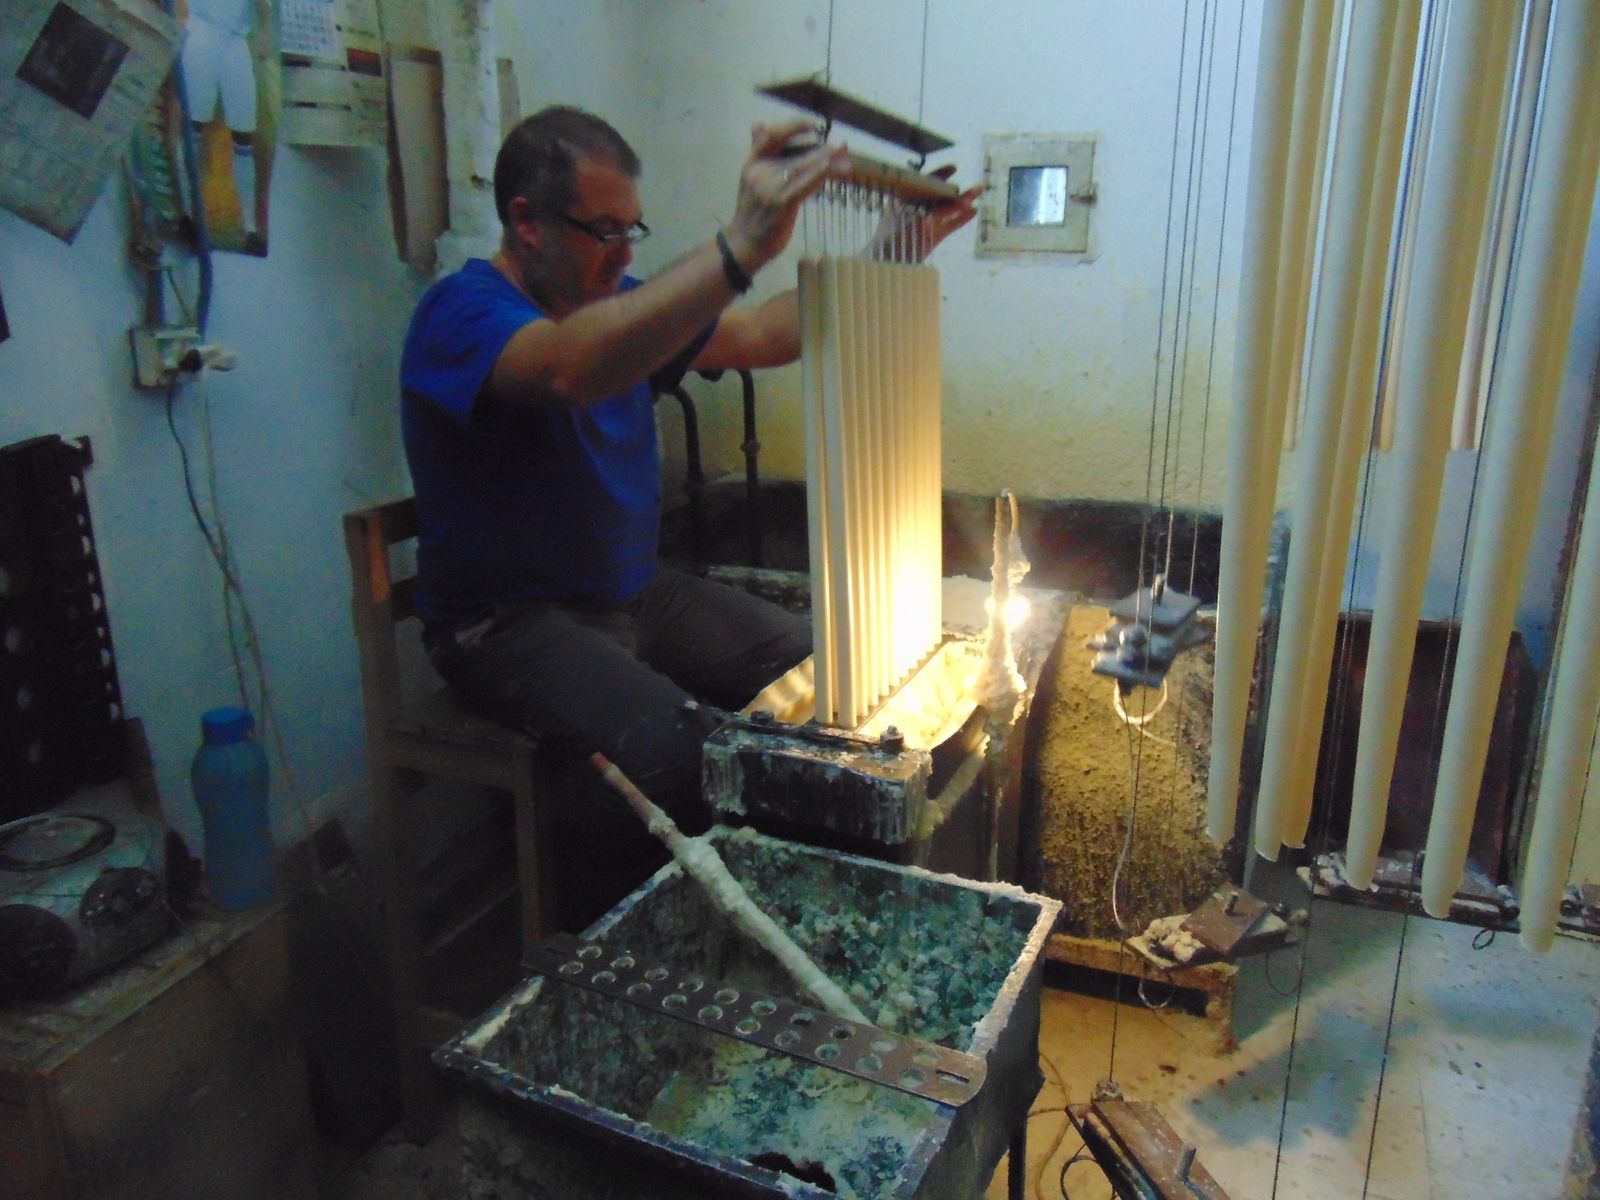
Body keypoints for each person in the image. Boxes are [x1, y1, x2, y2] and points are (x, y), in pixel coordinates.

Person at [400, 105, 977, 926]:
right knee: (690, 757)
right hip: (510, 623)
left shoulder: (626, 306)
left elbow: (767, 335)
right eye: (604, 230)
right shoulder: (462, 314)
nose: (625, 254)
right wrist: (740, 243)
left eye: (633, 230)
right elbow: (569, 370)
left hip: (633, 593)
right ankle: (633, 949)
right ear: (525, 221)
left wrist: (891, 249)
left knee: (825, 669)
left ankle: (799, 921)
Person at [180, 0, 268, 255]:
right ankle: (188, 214)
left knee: (244, 135)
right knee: (193, 126)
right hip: (202, 29)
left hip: (235, 40)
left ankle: (250, 227)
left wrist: (262, 32)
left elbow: (263, 7)